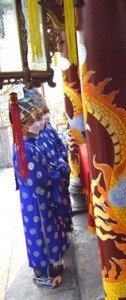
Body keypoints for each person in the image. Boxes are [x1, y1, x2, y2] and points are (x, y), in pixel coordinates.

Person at [9, 95, 69, 288]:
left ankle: (52, 267)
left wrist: (55, 169)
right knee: (40, 235)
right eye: (32, 119)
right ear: (22, 125)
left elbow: (46, 166)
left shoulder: (31, 143)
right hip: (37, 201)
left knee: (48, 232)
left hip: (41, 198)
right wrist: (56, 176)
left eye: (37, 117)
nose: (37, 122)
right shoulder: (24, 148)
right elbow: (38, 181)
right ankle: (42, 275)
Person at [23, 87, 74, 232]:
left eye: (44, 112)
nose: (43, 117)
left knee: (65, 200)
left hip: (59, 171)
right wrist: (54, 172)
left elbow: (60, 146)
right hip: (51, 177)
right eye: (38, 116)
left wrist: (62, 160)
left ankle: (67, 223)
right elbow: (41, 162)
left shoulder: (49, 129)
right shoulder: (33, 140)